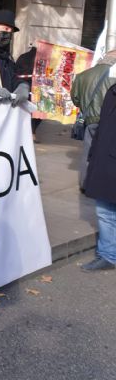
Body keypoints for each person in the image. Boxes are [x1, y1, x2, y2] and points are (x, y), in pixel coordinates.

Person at [81, 81, 116, 271]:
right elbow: (104, 126)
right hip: (105, 159)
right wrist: (94, 152)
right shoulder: (112, 90)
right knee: (105, 210)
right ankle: (108, 255)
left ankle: (109, 254)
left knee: (107, 210)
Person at [71, 50, 116, 190]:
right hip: (110, 122)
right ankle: (105, 185)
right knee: (109, 154)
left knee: (88, 152)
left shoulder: (83, 75)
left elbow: (76, 100)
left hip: (90, 120)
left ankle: (85, 184)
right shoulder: (114, 76)